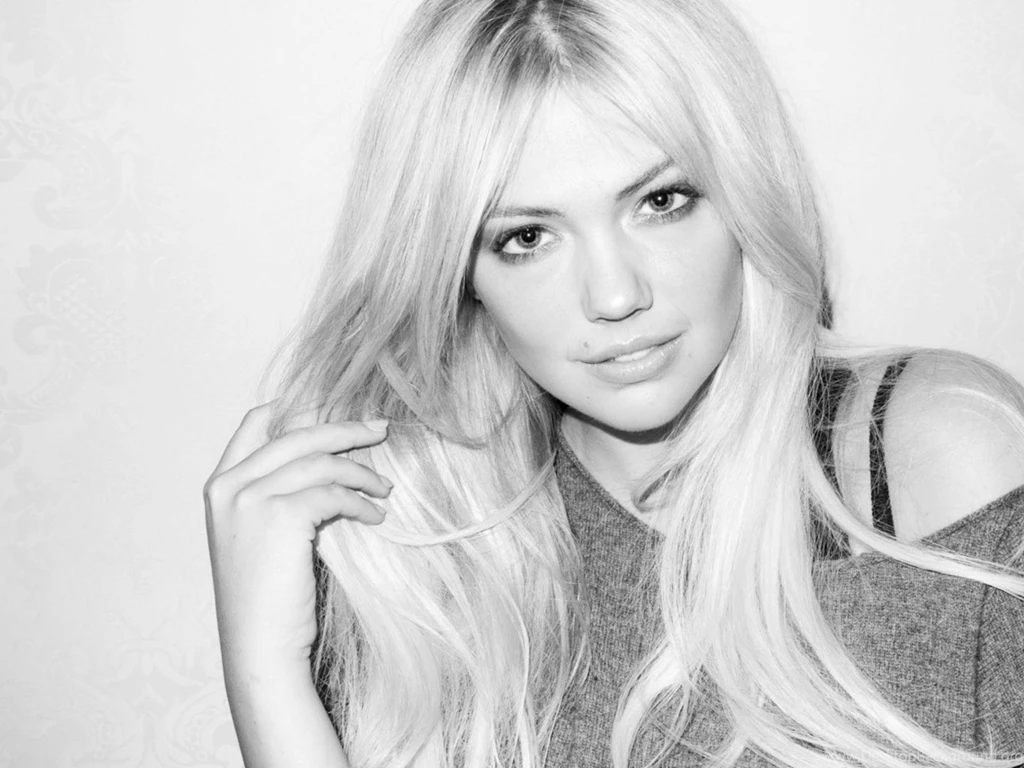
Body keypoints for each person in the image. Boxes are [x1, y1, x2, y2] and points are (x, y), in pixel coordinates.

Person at [203, 0, 1024, 765]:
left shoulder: (926, 452)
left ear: (744, 196)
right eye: (528, 237)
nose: (616, 295)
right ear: (459, 275)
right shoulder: (413, 547)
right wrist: (266, 664)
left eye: (661, 200)